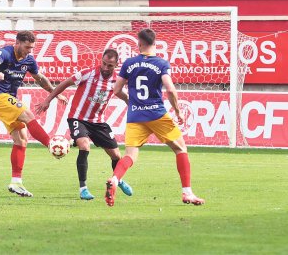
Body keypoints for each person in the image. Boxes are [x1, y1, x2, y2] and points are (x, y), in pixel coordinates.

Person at [105, 29, 205, 207]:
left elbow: (116, 90)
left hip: (135, 115)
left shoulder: (129, 63)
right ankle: (187, 192)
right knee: (181, 148)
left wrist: (131, 101)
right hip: (156, 114)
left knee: (130, 155)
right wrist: (178, 111)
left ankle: (114, 178)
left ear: (139, 43)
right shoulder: (161, 63)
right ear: (155, 43)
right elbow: (170, 89)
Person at [36, 49, 133, 200]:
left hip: (98, 122)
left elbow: (120, 93)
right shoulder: (88, 73)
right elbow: (65, 83)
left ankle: (118, 180)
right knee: (84, 145)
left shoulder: (117, 80)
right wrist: (48, 100)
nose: (106, 68)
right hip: (78, 118)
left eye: (110, 66)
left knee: (116, 155)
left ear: (116, 65)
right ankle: (83, 189)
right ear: (101, 60)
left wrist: (130, 102)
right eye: (104, 64)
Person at [0, 30, 67, 198]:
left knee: (22, 140)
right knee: (28, 114)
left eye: (32, 48)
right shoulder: (6, 53)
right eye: (27, 47)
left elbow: (40, 78)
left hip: (9, 100)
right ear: (17, 43)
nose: (30, 51)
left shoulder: (29, 60)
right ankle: (51, 144)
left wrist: (55, 93)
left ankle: (16, 182)